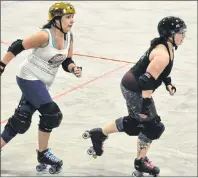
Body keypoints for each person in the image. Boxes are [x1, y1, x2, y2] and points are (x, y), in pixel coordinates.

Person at [82, 16, 187, 176]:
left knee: (134, 123)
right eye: (180, 33)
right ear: (169, 35)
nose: (183, 36)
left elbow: (159, 72)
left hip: (131, 85)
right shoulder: (162, 53)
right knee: (153, 127)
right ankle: (140, 161)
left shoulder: (168, 46)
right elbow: (146, 81)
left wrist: (168, 83)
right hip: (136, 89)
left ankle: (99, 133)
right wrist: (145, 106)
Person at [0, 2, 82, 174]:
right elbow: (17, 45)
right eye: (68, 17)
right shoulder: (44, 36)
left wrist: (73, 68)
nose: (72, 21)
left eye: (72, 17)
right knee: (52, 114)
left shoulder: (69, 36)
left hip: (42, 83)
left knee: (21, 121)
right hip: (28, 78)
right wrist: (2, 65)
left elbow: (66, 61)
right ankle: (43, 153)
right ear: (56, 20)